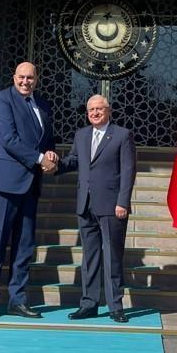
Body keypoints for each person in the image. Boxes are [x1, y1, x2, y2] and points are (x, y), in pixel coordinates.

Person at [0, 62, 57, 319]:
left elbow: (47, 139)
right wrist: (38, 159)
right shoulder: (3, 99)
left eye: (30, 78)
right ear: (14, 77)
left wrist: (51, 153)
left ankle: (18, 299)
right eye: (21, 77)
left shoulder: (43, 104)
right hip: (5, 183)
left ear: (37, 79)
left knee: (24, 246)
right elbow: (8, 139)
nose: (26, 82)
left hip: (31, 184)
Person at [57, 95, 135, 323]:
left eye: (99, 109)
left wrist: (123, 201)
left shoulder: (122, 135)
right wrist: (53, 164)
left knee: (112, 257)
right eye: (91, 109)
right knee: (89, 258)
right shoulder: (81, 135)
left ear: (108, 111)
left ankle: (115, 306)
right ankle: (89, 304)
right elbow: (73, 160)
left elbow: (128, 170)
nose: (94, 113)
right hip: (85, 204)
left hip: (112, 205)